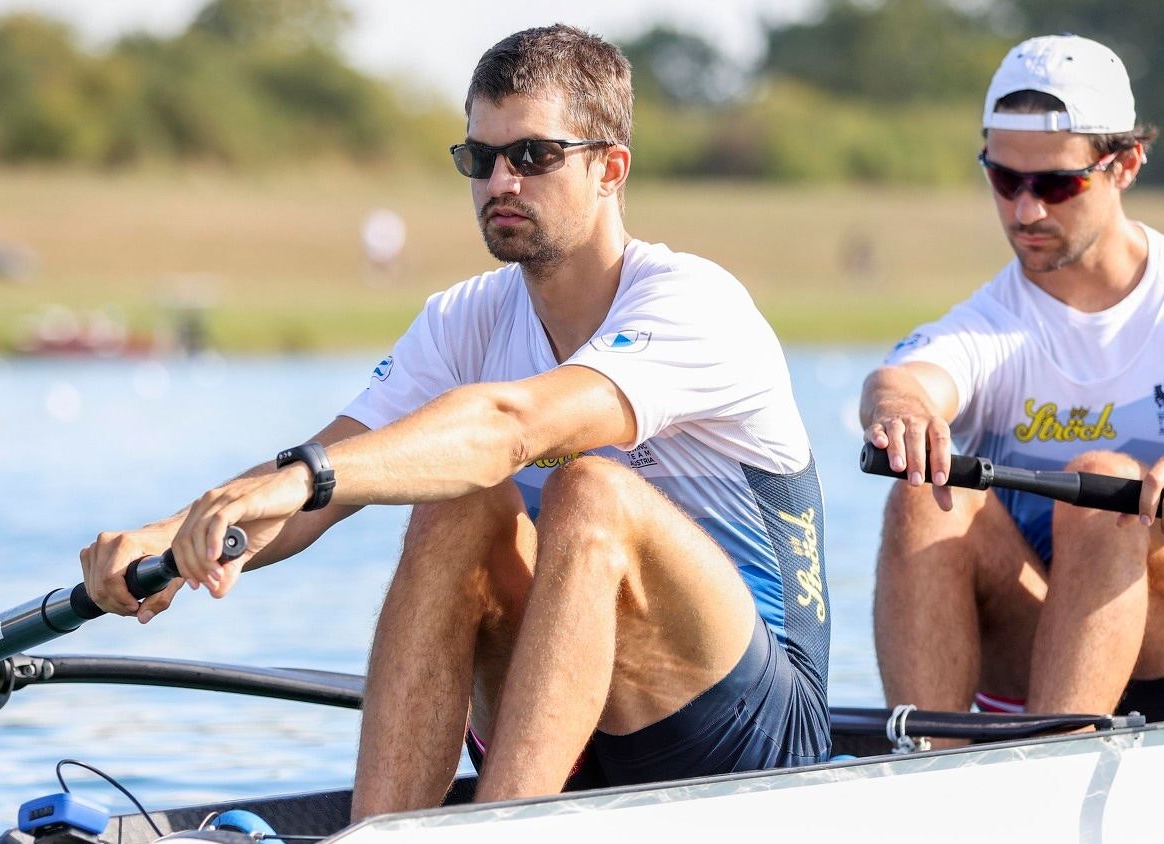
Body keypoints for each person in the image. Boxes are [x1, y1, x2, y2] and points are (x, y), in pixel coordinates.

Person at [81, 24, 830, 819]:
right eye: (480, 158)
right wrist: (170, 534)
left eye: (534, 156)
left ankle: (500, 830)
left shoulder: (694, 304)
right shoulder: (461, 319)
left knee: (590, 491)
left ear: (611, 168)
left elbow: (510, 426)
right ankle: (385, 829)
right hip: (570, 713)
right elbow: (322, 482)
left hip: (751, 732)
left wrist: (308, 477)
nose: (501, 181)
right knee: (457, 501)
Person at [860, 34, 1164, 725]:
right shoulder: (989, 325)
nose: (1025, 211)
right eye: (1003, 179)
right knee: (927, 493)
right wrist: (901, 410)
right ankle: (932, 769)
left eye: (1055, 184)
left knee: (1105, 484)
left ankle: (1052, 770)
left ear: (1126, 164)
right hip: (1056, 653)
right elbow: (901, 381)